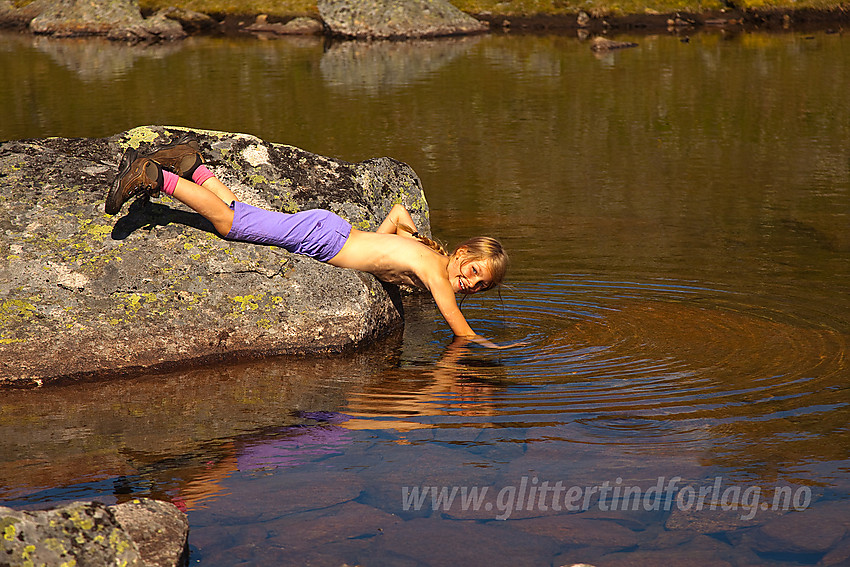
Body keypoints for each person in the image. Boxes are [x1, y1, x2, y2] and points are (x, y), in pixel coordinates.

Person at [106, 134, 513, 348]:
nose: (470, 284)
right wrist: (495, 351)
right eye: (473, 272)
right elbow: (462, 332)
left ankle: (193, 166)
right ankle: (156, 177)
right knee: (229, 224)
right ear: (462, 253)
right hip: (322, 238)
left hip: (330, 230)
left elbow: (399, 212)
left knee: (246, 215)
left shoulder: (428, 255)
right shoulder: (437, 273)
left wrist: (383, 251)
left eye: (480, 286)